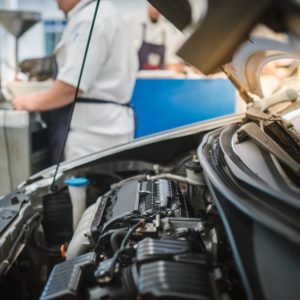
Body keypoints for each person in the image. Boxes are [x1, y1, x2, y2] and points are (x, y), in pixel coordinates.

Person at [13, 0, 137, 161]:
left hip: (92, 135)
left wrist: (34, 101)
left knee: (85, 185)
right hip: (109, 127)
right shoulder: (106, 13)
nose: (56, 3)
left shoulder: (89, 19)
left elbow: (71, 86)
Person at [132, 4, 183, 72]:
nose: (156, 10)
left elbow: (170, 57)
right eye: (154, 6)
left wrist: (173, 66)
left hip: (159, 78)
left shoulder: (166, 30)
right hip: (139, 76)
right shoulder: (136, 24)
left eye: (159, 8)